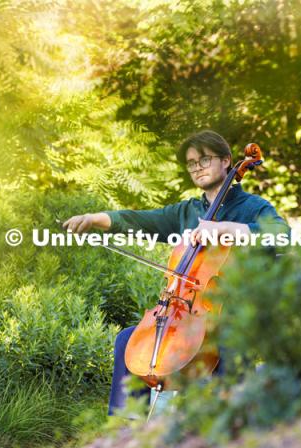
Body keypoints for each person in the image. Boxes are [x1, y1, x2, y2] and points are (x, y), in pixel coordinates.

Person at [63, 130, 289, 415]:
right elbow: (140, 220)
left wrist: (225, 229)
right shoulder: (188, 211)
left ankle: (231, 422)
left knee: (228, 340)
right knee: (127, 340)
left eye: (204, 159)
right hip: (187, 313)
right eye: (192, 163)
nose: (197, 167)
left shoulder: (254, 208)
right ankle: (126, 425)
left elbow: (282, 236)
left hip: (237, 313)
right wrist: (95, 219)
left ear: (226, 161)